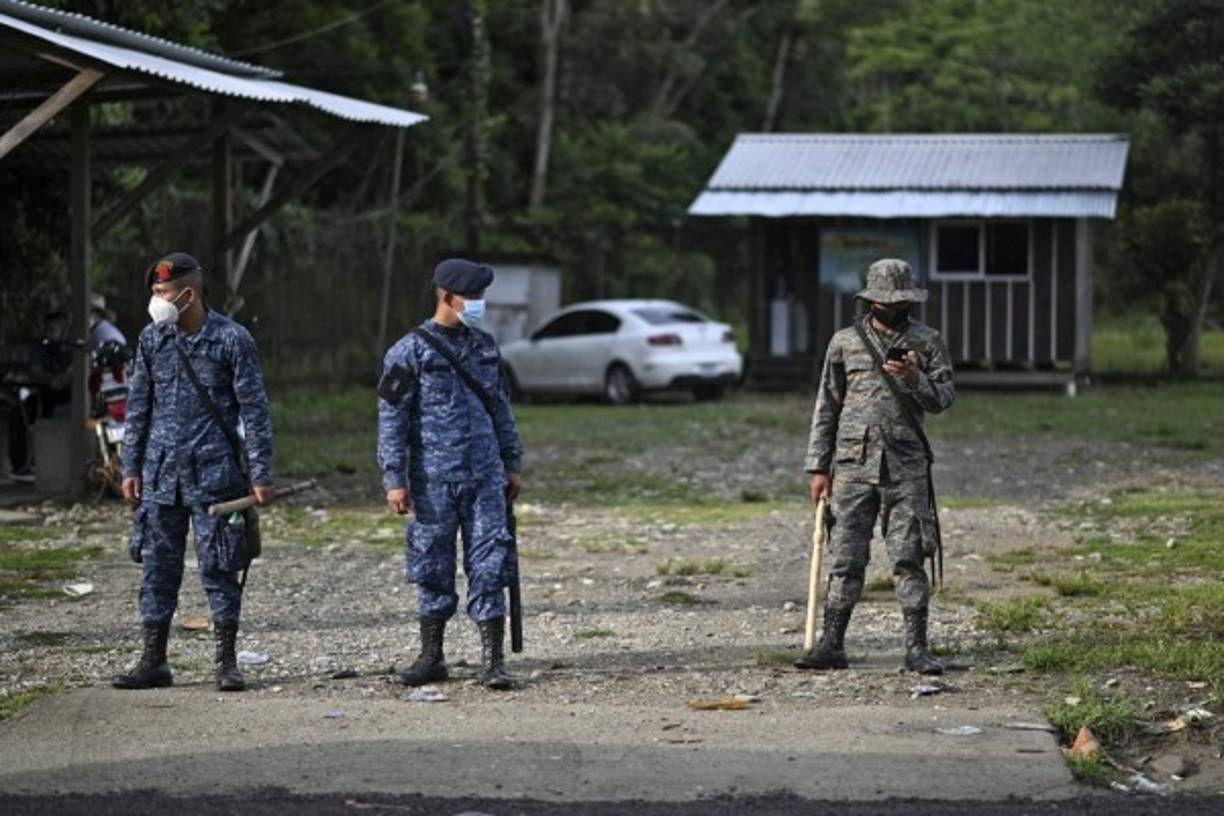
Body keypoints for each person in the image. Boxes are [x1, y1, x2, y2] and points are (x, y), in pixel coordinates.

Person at [113, 253, 274, 692]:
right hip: (161, 475)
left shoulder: (231, 340)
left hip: (215, 476)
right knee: (157, 568)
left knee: (220, 567)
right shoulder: (151, 339)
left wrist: (260, 473)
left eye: (162, 293)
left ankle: (225, 662)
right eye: (154, 293)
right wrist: (131, 466)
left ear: (188, 294)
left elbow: (254, 411)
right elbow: (139, 405)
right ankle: (153, 661)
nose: (156, 301)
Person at [796, 258, 954, 676]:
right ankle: (832, 643)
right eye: (887, 301)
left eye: (901, 301)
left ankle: (917, 647)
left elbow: (943, 400)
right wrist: (818, 466)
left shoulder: (927, 341)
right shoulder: (844, 342)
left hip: (906, 466)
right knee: (846, 556)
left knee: (908, 555)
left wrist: (916, 377)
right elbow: (826, 405)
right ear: (871, 301)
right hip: (852, 466)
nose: (894, 307)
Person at [377, 258, 523, 691]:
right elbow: (392, 418)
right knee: (432, 566)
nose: (479, 304)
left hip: (484, 478)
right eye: (473, 297)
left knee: (490, 562)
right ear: (447, 296)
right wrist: (393, 478)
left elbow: (501, 408)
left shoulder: (485, 347)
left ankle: (492, 661)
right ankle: (431, 656)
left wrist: (511, 462)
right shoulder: (408, 352)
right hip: (432, 480)